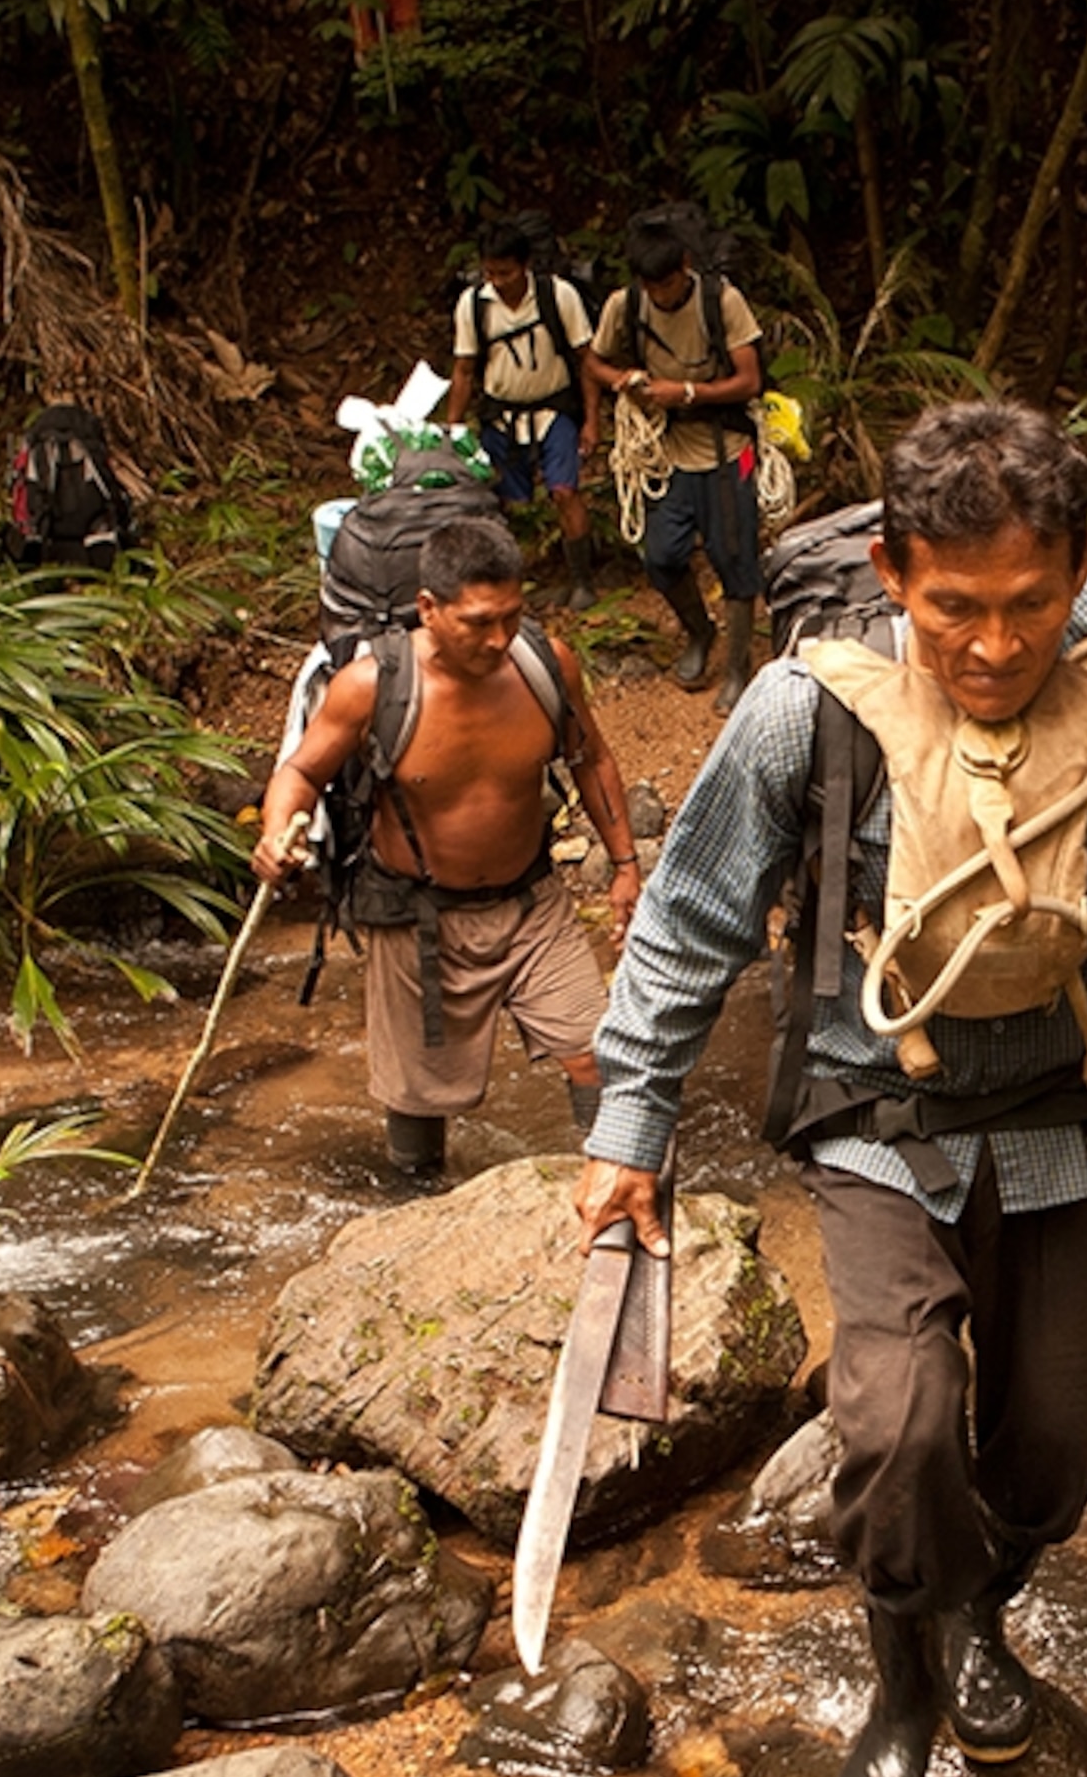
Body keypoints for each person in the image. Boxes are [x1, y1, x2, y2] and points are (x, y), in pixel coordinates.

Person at [572, 402, 1087, 1777]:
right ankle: (903, 1692)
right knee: (896, 1426)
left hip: (1073, 1120)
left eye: (1030, 604)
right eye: (954, 606)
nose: (992, 643)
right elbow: (688, 921)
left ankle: (979, 1608)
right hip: (876, 1123)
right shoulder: (806, 713)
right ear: (896, 571)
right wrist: (631, 1123)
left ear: (1079, 566)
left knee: (1049, 1451)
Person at [255, 517, 643, 1193]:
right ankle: (415, 1205)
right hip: (416, 912)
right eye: (479, 622)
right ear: (429, 609)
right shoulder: (372, 686)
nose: (499, 639)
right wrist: (277, 830)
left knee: (595, 1049)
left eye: (512, 616)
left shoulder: (544, 665)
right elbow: (302, 772)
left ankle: (620, 1188)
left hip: (532, 903)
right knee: (415, 1092)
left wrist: (627, 866)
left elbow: (591, 757)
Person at [584, 206, 764, 708]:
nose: (659, 295)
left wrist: (686, 392)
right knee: (661, 555)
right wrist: (624, 382)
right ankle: (699, 632)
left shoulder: (721, 301)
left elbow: (750, 379)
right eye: (650, 285)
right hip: (667, 454)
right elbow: (594, 361)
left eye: (665, 283)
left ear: (685, 264)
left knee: (735, 558)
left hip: (727, 449)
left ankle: (737, 669)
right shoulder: (626, 305)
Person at [442, 215, 604, 609]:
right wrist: (452, 429)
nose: (497, 280)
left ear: (525, 265)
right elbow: (464, 369)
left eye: (506, 272)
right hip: (501, 415)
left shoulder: (558, 295)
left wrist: (591, 419)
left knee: (565, 492)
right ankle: (507, 584)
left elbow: (587, 360)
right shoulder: (474, 305)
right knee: (502, 501)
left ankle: (582, 580)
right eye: (490, 272)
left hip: (554, 409)